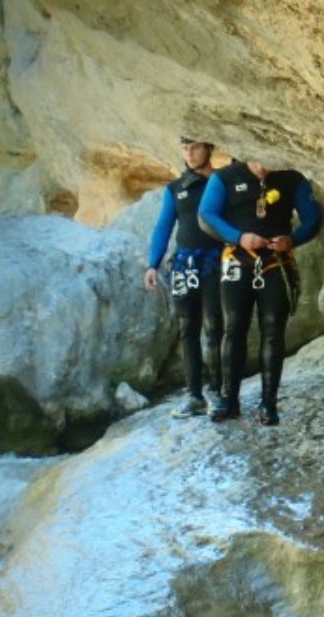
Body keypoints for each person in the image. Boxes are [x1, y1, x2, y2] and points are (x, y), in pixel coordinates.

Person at [198, 154, 324, 425]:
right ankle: (229, 400)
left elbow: (313, 218)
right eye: (258, 163)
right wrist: (239, 237)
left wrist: (292, 239)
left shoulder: (292, 178)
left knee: (273, 330)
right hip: (237, 259)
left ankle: (268, 404)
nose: (264, 168)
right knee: (234, 327)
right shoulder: (226, 177)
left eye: (269, 163)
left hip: (276, 262)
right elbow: (206, 215)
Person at [143, 134, 225, 418]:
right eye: (185, 148)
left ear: (209, 148)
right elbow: (163, 226)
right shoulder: (176, 188)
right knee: (187, 327)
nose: (189, 154)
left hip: (216, 262)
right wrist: (153, 264)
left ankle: (217, 392)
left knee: (215, 326)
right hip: (184, 263)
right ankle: (194, 396)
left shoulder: (222, 182)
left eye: (195, 147)